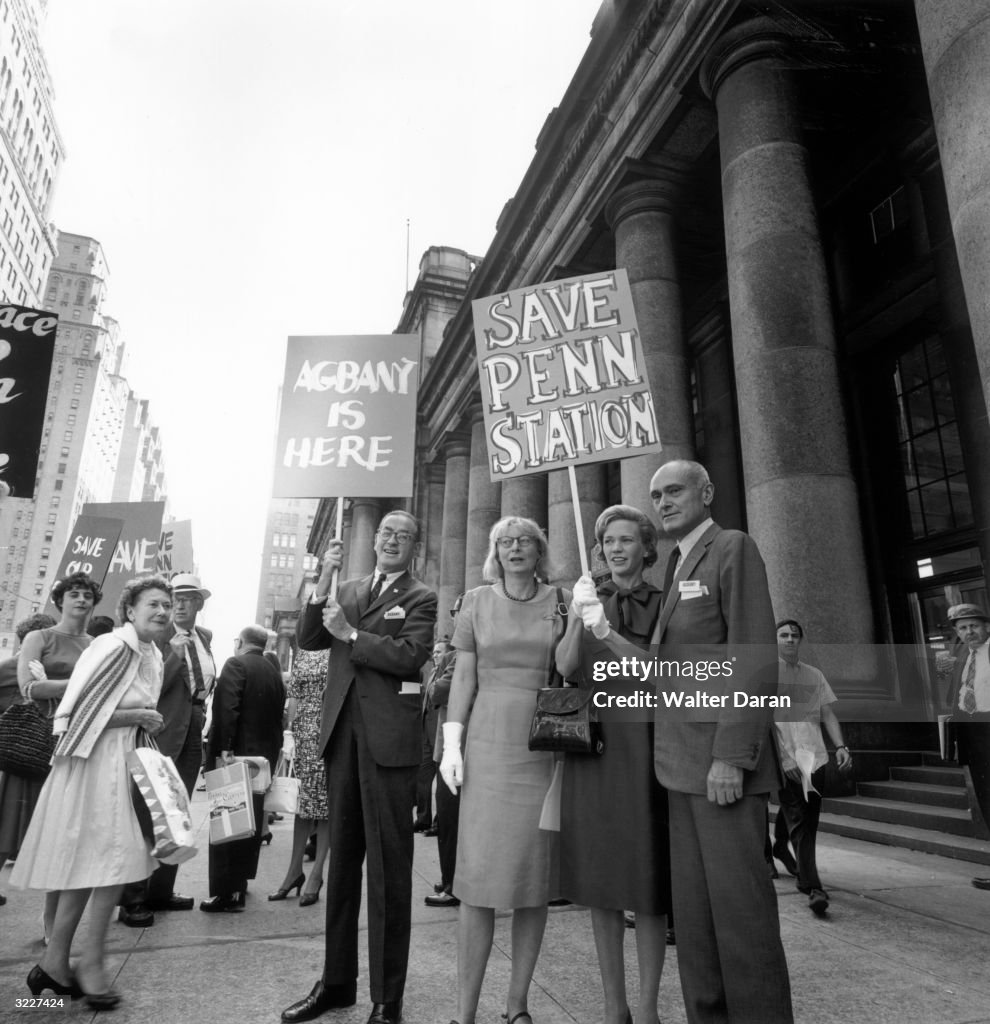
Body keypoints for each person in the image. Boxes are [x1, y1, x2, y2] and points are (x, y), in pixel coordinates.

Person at [577, 460, 792, 1024]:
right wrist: (602, 632)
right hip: (676, 769)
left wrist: (730, 755)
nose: (664, 501)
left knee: (741, 919)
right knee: (696, 926)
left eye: (674, 490)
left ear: (707, 492)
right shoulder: (677, 562)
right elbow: (663, 671)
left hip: (720, 769)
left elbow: (753, 657)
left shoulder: (732, 547)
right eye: (656, 494)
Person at [282, 510, 437, 1024]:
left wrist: (350, 635)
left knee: (390, 872)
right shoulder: (345, 588)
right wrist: (322, 579)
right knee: (343, 867)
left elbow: (410, 655)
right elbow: (307, 639)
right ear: (373, 541)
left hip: (389, 747)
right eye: (386, 533)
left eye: (403, 535)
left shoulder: (421, 595)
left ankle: (386, 998)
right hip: (342, 740)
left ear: (415, 545)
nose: (392, 540)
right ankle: (335, 983)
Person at [10, 575, 172, 1009]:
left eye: (167, 605)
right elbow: (75, 711)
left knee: (98, 864)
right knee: (110, 864)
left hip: (117, 763)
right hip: (95, 764)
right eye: (153, 604)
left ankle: (58, 963)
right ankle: (88, 964)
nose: (162, 611)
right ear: (130, 610)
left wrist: (140, 720)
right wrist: (139, 715)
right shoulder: (114, 646)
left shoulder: (150, 651)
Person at [438, 516, 567, 1024]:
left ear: (540, 551)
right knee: (477, 879)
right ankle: (464, 1012)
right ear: (496, 551)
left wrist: (584, 617)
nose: (516, 549)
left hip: (542, 743)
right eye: (506, 542)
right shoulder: (475, 601)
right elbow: (464, 675)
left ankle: (517, 1005)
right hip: (487, 741)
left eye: (526, 542)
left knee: (532, 878)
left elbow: (572, 666)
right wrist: (452, 741)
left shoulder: (560, 599)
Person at [556, 505, 671, 1024]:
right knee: (600, 881)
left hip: (643, 745)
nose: (616, 549)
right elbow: (563, 668)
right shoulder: (589, 598)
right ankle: (614, 1006)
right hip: (594, 748)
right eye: (608, 542)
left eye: (627, 540)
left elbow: (661, 674)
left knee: (646, 883)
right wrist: (580, 618)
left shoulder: (664, 603)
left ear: (647, 548)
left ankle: (646, 1008)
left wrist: (608, 631)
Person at [118, 571, 215, 927]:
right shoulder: (154, 635)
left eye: (191, 597)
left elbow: (203, 682)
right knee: (149, 811)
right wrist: (172, 656)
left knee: (178, 810)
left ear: (200, 604)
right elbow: (146, 686)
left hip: (192, 729)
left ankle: (161, 890)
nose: (183, 603)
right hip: (160, 729)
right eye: (178, 597)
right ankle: (132, 898)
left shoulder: (204, 637)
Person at [10, 573, 101, 940]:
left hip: (83, 744)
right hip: (39, 743)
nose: (81, 600)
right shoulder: (39, 637)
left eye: (87, 595)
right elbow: (29, 688)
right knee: (45, 834)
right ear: (59, 600)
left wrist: (57, 683)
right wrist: (80, 681)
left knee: (71, 837)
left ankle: (56, 925)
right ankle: (51, 924)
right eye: (73, 594)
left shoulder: (98, 644)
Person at [200, 625, 285, 912]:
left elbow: (227, 709)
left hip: (233, 756)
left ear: (241, 642)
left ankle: (227, 893)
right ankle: (240, 885)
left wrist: (224, 748)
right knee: (249, 826)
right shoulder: (273, 670)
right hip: (261, 760)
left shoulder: (236, 663)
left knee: (227, 824)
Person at [773, 619, 852, 916]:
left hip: (814, 757)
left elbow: (828, 714)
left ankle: (780, 847)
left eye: (794, 635)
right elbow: (765, 720)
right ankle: (812, 886)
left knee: (804, 816)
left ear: (801, 640)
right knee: (801, 819)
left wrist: (841, 746)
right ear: (775, 641)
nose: (790, 640)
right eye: (783, 635)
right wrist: (784, 758)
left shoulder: (813, 674)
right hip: (787, 759)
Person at [0, 612, 57, 908]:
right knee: (7, 824)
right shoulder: (17, 667)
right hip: (19, 754)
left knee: (9, 824)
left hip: (23, 754)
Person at [270, 648, 332, 906]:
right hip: (304, 735)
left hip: (331, 731)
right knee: (302, 806)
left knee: (325, 805)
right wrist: (289, 732)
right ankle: (294, 872)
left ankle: (316, 874)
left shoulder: (342, 643)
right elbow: (294, 693)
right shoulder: (305, 651)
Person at [944, 603, 990, 890]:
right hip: (974, 735)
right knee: (988, 802)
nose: (969, 632)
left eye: (973, 625)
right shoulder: (960, 655)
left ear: (986, 626)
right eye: (962, 628)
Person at [424, 618, 460, 908]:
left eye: (458, 610)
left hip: (457, 747)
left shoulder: (459, 655)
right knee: (448, 819)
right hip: (449, 746)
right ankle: (450, 878)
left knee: (450, 819)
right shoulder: (455, 655)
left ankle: (452, 883)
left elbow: (437, 691)